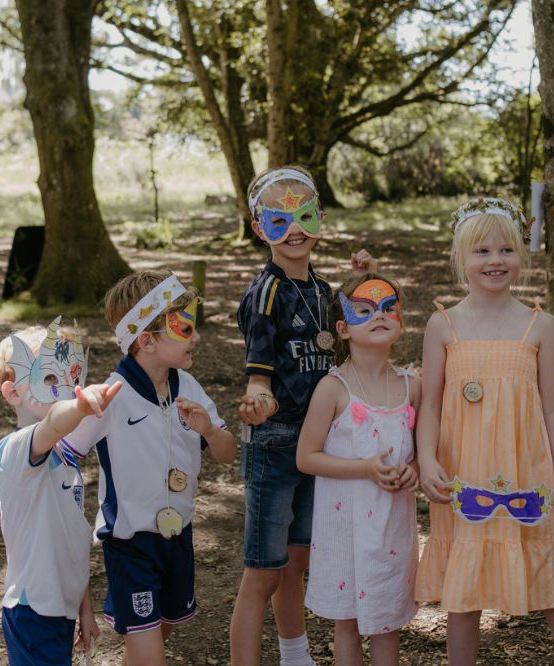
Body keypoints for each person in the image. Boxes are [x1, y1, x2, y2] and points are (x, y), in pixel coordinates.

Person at [415, 198, 554, 666]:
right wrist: (428, 460)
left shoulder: (539, 326)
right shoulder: (442, 325)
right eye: (482, 251)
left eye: (506, 250)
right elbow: (429, 405)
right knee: (464, 596)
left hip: (525, 476)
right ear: (461, 259)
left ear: (523, 256)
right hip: (463, 475)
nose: (495, 260)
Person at [230, 165, 376, 666]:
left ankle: (295, 656)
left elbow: (349, 327)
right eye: (278, 219)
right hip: (273, 441)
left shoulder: (320, 287)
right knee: (262, 571)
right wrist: (258, 395)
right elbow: (258, 366)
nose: (294, 228)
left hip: (318, 444)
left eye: (304, 214)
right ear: (258, 228)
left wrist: (360, 279)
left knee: (298, 559)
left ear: (319, 219)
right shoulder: (264, 291)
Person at [63, 271, 237, 666]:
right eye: (185, 327)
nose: (196, 337)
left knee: (164, 627)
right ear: (146, 340)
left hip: (178, 536)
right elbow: (64, 452)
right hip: (130, 543)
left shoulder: (189, 386)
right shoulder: (111, 397)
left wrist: (208, 428)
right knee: (149, 650)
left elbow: (228, 453)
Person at [296, 273, 420, 666]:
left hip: (391, 529)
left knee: (388, 624)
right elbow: (307, 457)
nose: (378, 316)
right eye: (364, 310)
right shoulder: (332, 389)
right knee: (347, 623)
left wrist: (414, 468)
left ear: (400, 322)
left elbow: (425, 450)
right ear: (343, 328)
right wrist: (364, 468)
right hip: (344, 527)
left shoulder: (411, 387)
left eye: (388, 308)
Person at [0, 318, 123, 665]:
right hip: (32, 609)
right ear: (12, 392)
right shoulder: (16, 450)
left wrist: (85, 610)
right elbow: (52, 424)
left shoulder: (64, 457)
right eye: (49, 378)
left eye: (69, 378)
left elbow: (72, 538)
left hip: (59, 607)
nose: (63, 387)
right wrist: (80, 406)